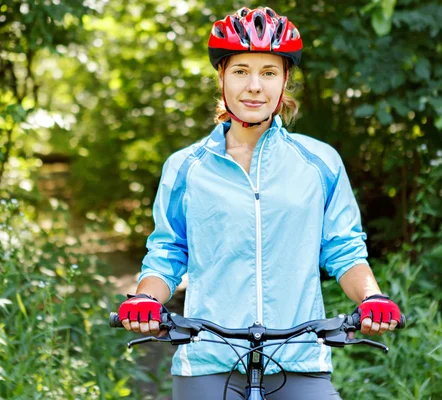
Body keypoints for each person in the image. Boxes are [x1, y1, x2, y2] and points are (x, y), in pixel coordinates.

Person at [117, 6, 402, 400]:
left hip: (299, 360)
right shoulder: (187, 167)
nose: (254, 86)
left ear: (285, 80)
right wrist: (146, 300)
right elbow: (167, 251)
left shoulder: (318, 162)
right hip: (208, 361)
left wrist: (372, 298)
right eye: (241, 71)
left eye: (268, 72)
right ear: (222, 78)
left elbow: (343, 249)